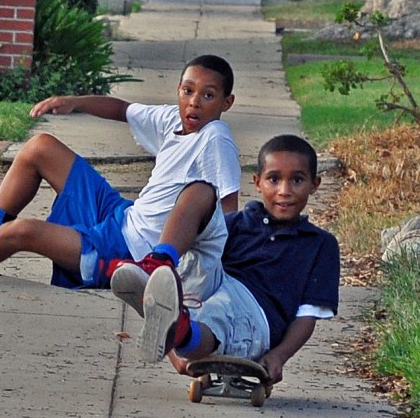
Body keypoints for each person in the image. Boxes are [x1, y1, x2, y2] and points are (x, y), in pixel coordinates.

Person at [0, 55, 241, 293]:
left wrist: (214, 277)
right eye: (187, 91)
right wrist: (73, 102)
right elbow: (122, 109)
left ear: (227, 102)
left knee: (25, 231)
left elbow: (227, 212)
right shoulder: (173, 119)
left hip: (127, 251)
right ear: (178, 90)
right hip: (121, 215)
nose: (194, 102)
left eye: (208, 95)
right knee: (40, 148)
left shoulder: (215, 138)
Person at [112, 134, 340, 386]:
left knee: (218, 312)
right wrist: (172, 352)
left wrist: (279, 355)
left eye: (296, 180)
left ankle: (181, 334)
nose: (284, 191)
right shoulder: (237, 223)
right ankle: (159, 263)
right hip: (214, 284)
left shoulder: (320, 244)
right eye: (274, 179)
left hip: (256, 314)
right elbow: (206, 266)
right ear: (257, 182)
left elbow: (307, 317)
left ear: (314, 184)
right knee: (202, 190)